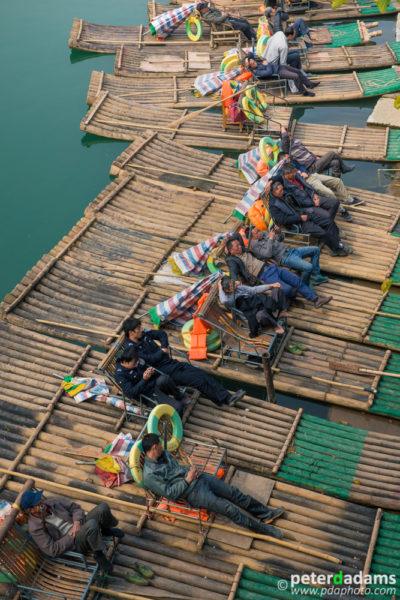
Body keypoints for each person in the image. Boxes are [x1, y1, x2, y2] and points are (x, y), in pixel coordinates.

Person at [141, 433, 285, 538]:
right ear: (154, 447)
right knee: (228, 509)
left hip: (199, 478)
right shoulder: (149, 476)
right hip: (192, 493)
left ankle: (266, 514)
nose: (162, 445)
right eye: (159, 444)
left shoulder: (164, 454)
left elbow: (178, 468)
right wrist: (187, 480)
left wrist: (190, 471)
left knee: (233, 492)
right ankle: (262, 529)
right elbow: (170, 494)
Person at [123, 318, 245, 408]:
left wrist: (164, 346)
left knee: (203, 374)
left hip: (171, 363)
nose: (141, 330)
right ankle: (225, 400)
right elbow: (150, 359)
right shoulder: (131, 350)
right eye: (138, 329)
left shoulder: (142, 334)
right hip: (163, 373)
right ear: (131, 333)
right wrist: (162, 352)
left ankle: (227, 397)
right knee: (199, 381)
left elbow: (161, 334)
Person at [20, 490, 124, 573]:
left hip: (79, 524)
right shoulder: (35, 528)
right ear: (30, 510)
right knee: (91, 524)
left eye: (40, 499)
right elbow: (52, 550)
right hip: (74, 543)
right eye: (37, 504)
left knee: (103, 508)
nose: (42, 502)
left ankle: (105, 529)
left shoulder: (52, 503)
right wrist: (72, 534)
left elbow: (75, 508)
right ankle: (98, 554)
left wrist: (76, 522)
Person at [225, 237, 332, 307]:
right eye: (237, 246)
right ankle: (294, 299)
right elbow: (233, 271)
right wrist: (235, 281)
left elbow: (236, 235)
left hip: (271, 267)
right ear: (231, 251)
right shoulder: (232, 260)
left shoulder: (243, 250)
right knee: (288, 289)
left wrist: (229, 243)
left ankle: (315, 299)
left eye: (239, 245)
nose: (240, 247)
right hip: (264, 276)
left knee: (295, 279)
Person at [268, 180, 352, 257]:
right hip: (297, 223)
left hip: (304, 214)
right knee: (322, 233)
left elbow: (298, 201)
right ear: (274, 191)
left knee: (329, 222)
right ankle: (336, 249)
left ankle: (336, 244)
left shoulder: (284, 194)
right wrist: (299, 218)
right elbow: (283, 220)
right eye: (280, 191)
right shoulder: (273, 205)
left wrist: (312, 203)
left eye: (282, 189)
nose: (283, 192)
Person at [115, 346, 188, 415]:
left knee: (165, 378)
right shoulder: (120, 376)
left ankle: (179, 396)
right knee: (178, 407)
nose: (136, 365)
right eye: (134, 363)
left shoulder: (134, 361)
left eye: (137, 362)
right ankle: (175, 423)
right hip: (148, 395)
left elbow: (146, 368)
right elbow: (132, 393)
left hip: (152, 384)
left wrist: (151, 372)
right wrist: (144, 380)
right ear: (125, 362)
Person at [248, 225, 328, 286]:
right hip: (284, 257)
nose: (259, 232)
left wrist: (279, 232)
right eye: (256, 233)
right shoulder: (255, 246)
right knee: (308, 267)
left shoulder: (264, 234)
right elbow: (268, 255)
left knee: (316, 249)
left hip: (291, 250)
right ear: (252, 237)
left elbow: (281, 239)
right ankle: (304, 285)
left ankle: (315, 275)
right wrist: (271, 239)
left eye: (258, 230)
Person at [280, 162, 353, 223]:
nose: (295, 173)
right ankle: (329, 224)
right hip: (306, 205)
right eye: (293, 172)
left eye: (295, 171)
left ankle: (328, 223)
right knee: (327, 215)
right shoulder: (286, 186)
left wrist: (313, 195)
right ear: (287, 174)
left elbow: (307, 186)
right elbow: (298, 201)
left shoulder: (296, 176)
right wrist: (313, 203)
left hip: (311, 197)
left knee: (335, 202)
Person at [218, 276, 288, 336]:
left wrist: (271, 285)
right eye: (230, 286)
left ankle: (282, 311)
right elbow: (223, 301)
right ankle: (275, 325)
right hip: (254, 315)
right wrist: (220, 288)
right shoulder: (229, 299)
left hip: (259, 304)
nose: (234, 286)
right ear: (226, 290)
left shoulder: (239, 288)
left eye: (233, 283)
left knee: (277, 289)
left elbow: (254, 290)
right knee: (261, 313)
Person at [280, 126, 355, 179]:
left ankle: (336, 180)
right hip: (311, 168)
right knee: (331, 153)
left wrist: (315, 156)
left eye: (289, 133)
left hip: (316, 162)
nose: (289, 134)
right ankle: (344, 169)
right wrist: (282, 128)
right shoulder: (288, 149)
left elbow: (307, 151)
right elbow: (285, 138)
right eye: (287, 134)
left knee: (336, 162)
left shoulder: (296, 142)